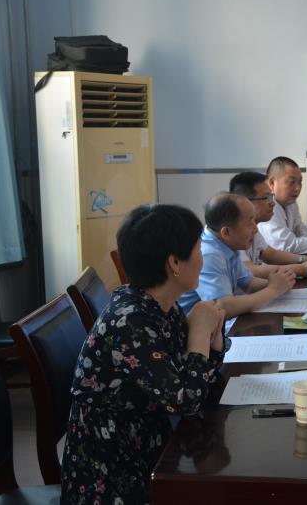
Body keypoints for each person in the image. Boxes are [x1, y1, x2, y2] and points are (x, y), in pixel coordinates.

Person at [60, 204, 229, 505]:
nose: (202, 258)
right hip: (112, 472)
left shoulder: (158, 302)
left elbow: (193, 374)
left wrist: (210, 337)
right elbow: (185, 401)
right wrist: (199, 335)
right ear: (174, 263)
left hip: (147, 442)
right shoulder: (131, 321)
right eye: (198, 249)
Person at [177, 193, 296, 317]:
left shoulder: (225, 242)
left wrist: (278, 283)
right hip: (191, 326)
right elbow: (223, 307)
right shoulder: (209, 255)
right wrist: (273, 290)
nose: (256, 229)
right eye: (249, 223)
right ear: (226, 232)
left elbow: (248, 283)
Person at [229, 171, 307, 278]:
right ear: (245, 201)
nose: (272, 203)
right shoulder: (234, 230)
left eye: (271, 196)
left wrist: (306, 259)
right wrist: (302, 268)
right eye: (266, 198)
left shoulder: (253, 226)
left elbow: (270, 254)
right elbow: (250, 270)